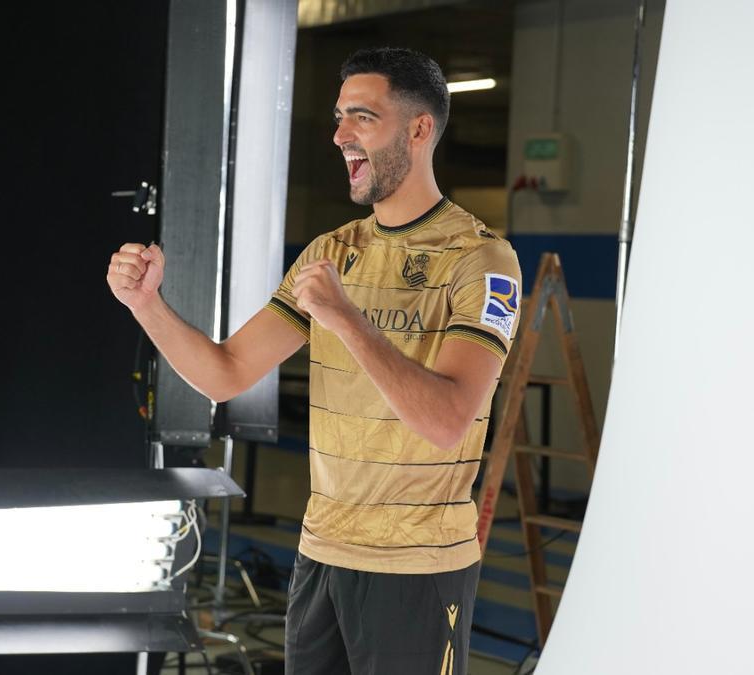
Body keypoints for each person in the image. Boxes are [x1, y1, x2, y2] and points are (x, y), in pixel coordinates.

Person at [106, 47, 521, 675]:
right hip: (321, 557)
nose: (339, 136)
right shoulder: (332, 254)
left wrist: (347, 320)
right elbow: (226, 373)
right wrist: (145, 304)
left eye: (362, 117)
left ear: (418, 129)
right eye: (338, 117)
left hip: (416, 570)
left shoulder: (481, 261)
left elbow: (446, 420)